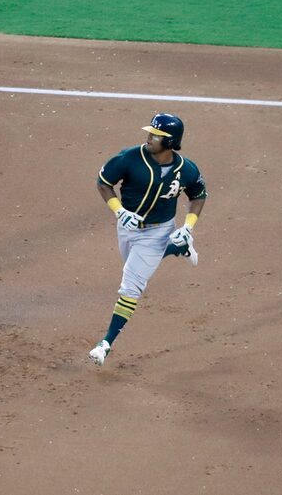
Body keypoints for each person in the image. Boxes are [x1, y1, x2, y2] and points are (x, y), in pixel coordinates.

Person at [88, 113, 206, 365]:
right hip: (128, 227)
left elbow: (198, 195)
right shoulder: (129, 158)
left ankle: (106, 343)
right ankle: (176, 247)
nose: (149, 138)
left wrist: (188, 226)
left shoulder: (186, 169)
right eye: (151, 133)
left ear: (171, 142)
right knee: (135, 262)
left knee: (131, 284)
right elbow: (103, 182)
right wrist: (119, 211)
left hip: (158, 230)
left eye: (157, 136)